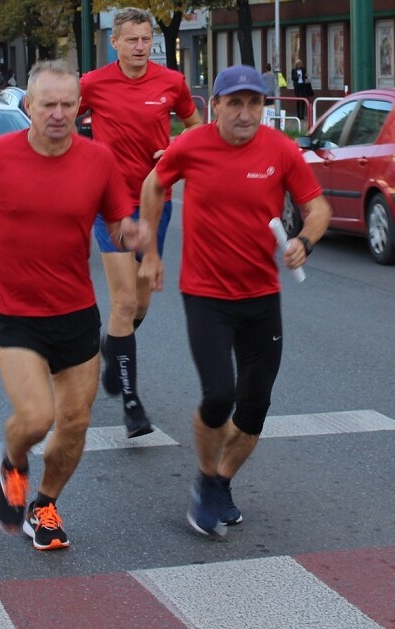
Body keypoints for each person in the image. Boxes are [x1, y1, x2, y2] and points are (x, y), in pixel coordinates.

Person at [0, 61, 137, 551]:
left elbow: (118, 222)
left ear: (79, 107)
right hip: (13, 308)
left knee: (75, 423)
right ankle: (12, 462)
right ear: (28, 105)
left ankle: (44, 505)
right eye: (48, 104)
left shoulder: (99, 160)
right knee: (35, 417)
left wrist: (134, 236)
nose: (58, 113)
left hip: (75, 308)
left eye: (68, 104)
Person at [137, 64, 331, 537]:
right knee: (219, 395)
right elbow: (154, 184)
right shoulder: (192, 145)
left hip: (261, 297)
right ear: (216, 106)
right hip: (206, 295)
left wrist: (304, 241)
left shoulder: (280, 149)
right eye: (236, 103)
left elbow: (318, 206)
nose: (246, 114)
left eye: (255, 103)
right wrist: (151, 252)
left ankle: (221, 482)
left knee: (254, 407)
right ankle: (206, 479)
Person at [79, 7, 202, 438]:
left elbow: (196, 127)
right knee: (125, 301)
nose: (140, 47)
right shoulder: (93, 83)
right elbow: (51, 116)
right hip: (110, 204)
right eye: (131, 39)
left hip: (155, 201)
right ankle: (132, 404)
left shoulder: (171, 82)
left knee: (143, 303)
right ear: (114, 42)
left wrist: (176, 149)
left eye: (147, 39)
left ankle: (114, 346)